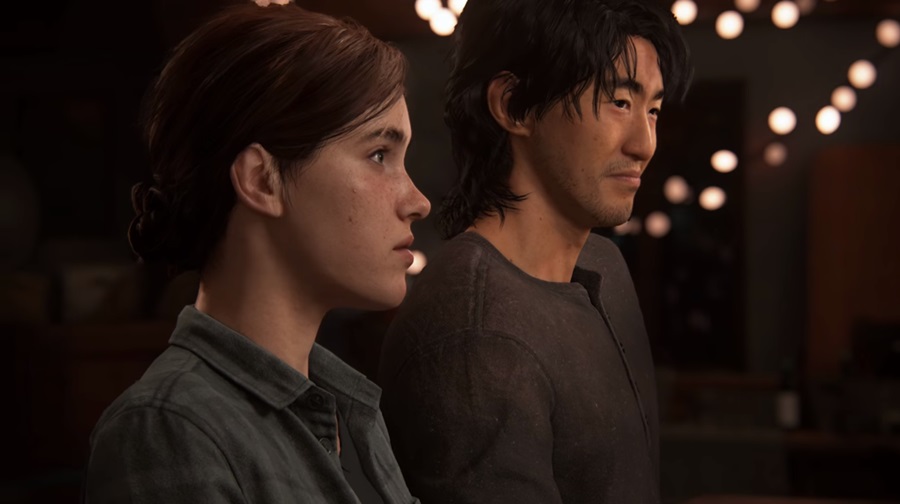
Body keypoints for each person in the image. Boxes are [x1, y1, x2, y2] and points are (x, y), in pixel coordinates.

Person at [83, 3, 429, 503]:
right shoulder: (170, 431)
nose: (418, 201)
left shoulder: (351, 413)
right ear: (262, 180)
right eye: (379, 155)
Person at [378, 0, 692, 502]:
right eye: (619, 102)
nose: (645, 144)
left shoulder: (603, 263)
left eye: (651, 109)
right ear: (514, 105)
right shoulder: (475, 331)